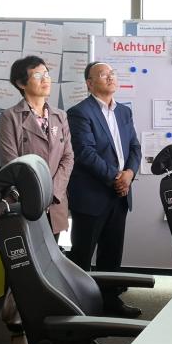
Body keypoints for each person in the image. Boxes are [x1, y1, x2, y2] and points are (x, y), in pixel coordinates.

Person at [0, 55, 74, 344]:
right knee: (21, 270)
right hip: (22, 205)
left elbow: (68, 158)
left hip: (53, 204)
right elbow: (11, 164)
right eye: (38, 75)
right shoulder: (10, 117)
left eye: (47, 74)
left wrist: (51, 190)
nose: (46, 79)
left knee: (50, 267)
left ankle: (45, 328)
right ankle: (18, 331)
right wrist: (35, 193)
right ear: (20, 83)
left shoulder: (59, 116)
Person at [66, 61, 141, 317]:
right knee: (82, 254)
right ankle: (77, 307)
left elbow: (135, 148)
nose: (110, 77)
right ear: (89, 83)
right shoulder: (79, 112)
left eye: (112, 73)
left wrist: (129, 174)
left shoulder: (124, 112)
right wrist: (116, 178)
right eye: (103, 74)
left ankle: (110, 301)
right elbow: (84, 153)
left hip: (120, 194)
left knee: (112, 253)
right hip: (92, 195)